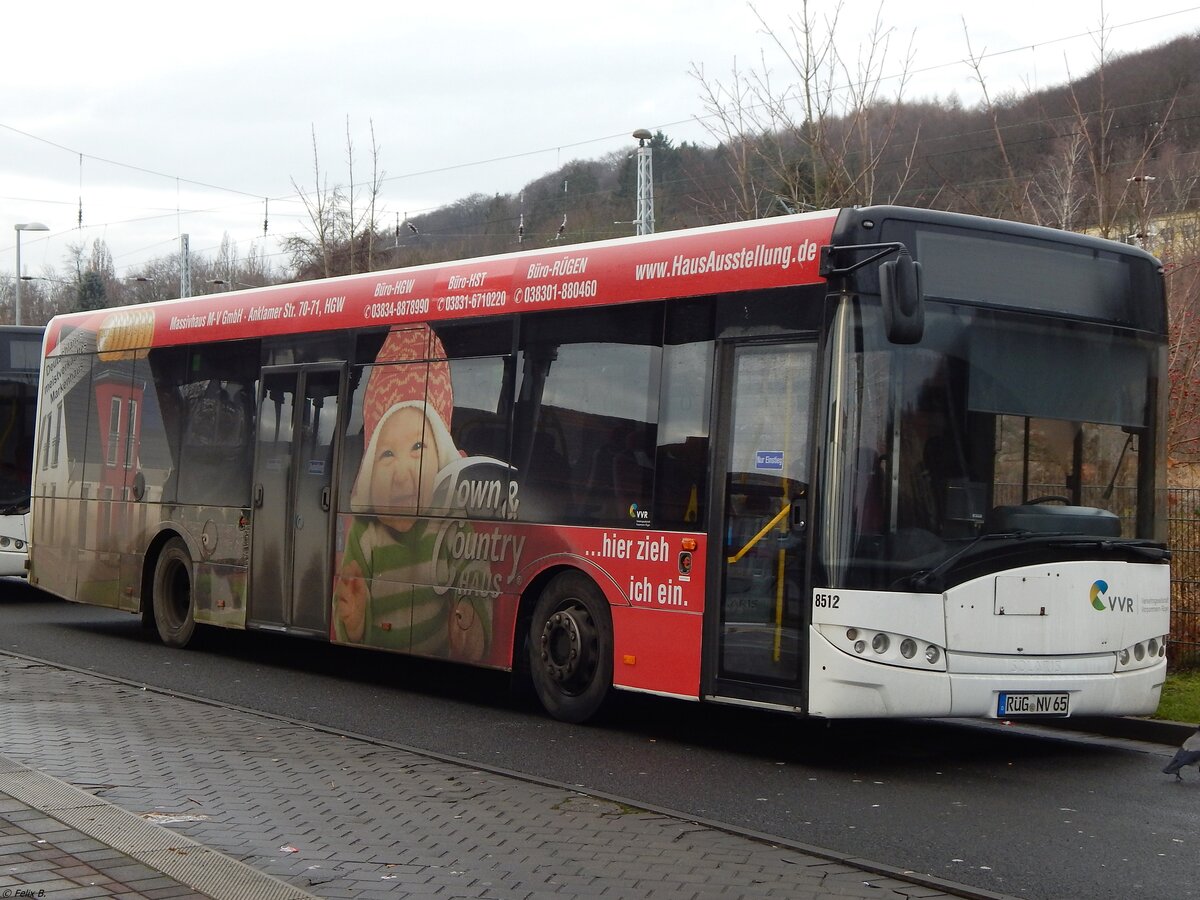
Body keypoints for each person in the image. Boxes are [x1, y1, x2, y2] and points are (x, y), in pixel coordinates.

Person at [333, 325, 491, 662]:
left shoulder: (451, 524)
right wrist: (355, 621)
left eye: (419, 446)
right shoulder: (365, 533)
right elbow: (348, 600)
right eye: (387, 454)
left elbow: (476, 577)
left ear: (444, 457)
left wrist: (472, 621)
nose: (402, 474)